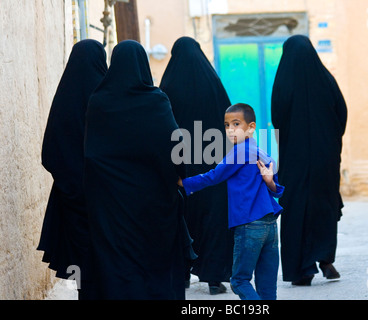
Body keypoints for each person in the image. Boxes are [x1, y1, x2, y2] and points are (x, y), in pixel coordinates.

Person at [83, 40, 194, 299]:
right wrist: (180, 176)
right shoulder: (156, 101)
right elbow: (174, 144)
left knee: (118, 261)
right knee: (155, 259)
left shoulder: (98, 102)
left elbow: (91, 154)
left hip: (111, 204)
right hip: (154, 202)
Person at [178, 103, 284, 300]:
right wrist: (270, 181)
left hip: (249, 224)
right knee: (267, 285)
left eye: (236, 124)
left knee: (239, 281)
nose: (230, 130)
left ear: (251, 127)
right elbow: (276, 189)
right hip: (270, 226)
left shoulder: (239, 152)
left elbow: (213, 176)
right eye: (227, 125)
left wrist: (183, 183)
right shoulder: (261, 151)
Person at [271, 35, 347, 286]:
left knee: (296, 209)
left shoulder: (283, 82)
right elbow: (342, 114)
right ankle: (325, 260)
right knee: (323, 205)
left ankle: (301, 270)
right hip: (325, 158)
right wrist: (330, 142)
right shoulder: (326, 80)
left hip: (295, 159)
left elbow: (278, 119)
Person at [160, 36, 233, 295]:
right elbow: (229, 125)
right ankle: (214, 278)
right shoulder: (213, 83)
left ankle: (181, 276)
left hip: (181, 167)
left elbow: (161, 125)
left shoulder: (168, 85)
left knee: (182, 219)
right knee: (214, 218)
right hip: (213, 166)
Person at [37, 39, 107, 299]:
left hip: (71, 195)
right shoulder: (106, 98)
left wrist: (69, 181)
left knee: (80, 252)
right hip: (105, 194)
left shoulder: (64, 99)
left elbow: (49, 153)